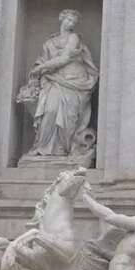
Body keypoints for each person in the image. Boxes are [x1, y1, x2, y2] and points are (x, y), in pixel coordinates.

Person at [20, 9, 99, 159]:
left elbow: (64, 59)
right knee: (50, 110)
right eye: (69, 20)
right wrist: (39, 69)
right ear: (61, 20)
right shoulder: (49, 42)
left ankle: (62, 149)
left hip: (74, 81)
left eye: (74, 22)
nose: (71, 24)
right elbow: (42, 60)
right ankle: (43, 147)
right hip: (54, 81)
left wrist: (41, 68)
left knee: (68, 117)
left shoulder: (74, 38)